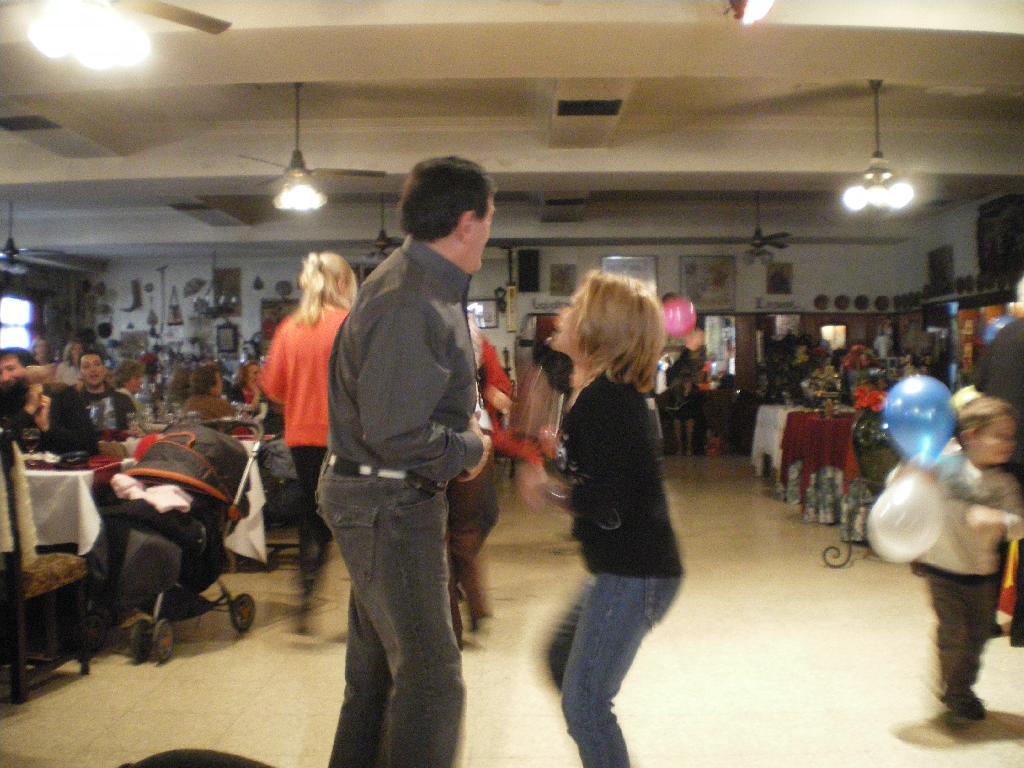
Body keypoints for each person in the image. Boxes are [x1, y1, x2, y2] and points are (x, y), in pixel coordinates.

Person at [319, 156, 494, 768]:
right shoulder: (410, 299)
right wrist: (469, 448)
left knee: (375, 678)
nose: (489, 232)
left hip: (383, 499)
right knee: (432, 680)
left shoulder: (420, 285)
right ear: (467, 223)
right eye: (489, 219)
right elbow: (394, 431)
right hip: (388, 503)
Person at [517, 271, 683, 768]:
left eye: (574, 307)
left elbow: (610, 500)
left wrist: (550, 490)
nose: (562, 314)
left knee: (586, 705)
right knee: (562, 661)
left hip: (635, 572)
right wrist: (561, 458)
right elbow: (608, 474)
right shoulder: (597, 395)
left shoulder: (608, 402)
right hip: (622, 567)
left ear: (598, 329)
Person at [261, 251, 357, 632]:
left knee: (313, 513)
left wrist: (303, 394)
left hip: (301, 437)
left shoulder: (290, 328)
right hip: (346, 437)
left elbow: (273, 389)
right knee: (349, 516)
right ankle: (365, 603)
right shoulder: (351, 325)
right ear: (342, 283)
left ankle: (306, 587)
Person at [912, 395, 1024, 721]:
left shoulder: (1004, 484)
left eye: (1011, 437)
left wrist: (999, 519)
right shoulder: (944, 467)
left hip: (983, 575)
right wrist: (911, 474)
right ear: (972, 436)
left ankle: (962, 685)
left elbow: (1020, 524)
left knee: (977, 637)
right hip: (942, 570)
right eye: (1000, 436)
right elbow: (909, 488)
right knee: (954, 633)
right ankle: (955, 691)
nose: (1009, 444)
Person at [975, 275, 1024, 644]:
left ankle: (988, 618)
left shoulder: (1004, 335)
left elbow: (980, 385)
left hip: (999, 451)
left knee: (999, 536)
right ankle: (1020, 626)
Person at [0, 347, 98, 455]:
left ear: (32, 369)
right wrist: (28, 410)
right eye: (0, 372)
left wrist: (48, 427)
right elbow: (5, 444)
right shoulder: (4, 402)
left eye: (10, 369)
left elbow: (89, 445)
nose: (4, 378)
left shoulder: (63, 394)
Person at [78, 352, 136, 432]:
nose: (93, 369)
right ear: (80, 374)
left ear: (104, 370)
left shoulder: (123, 399)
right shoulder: (74, 403)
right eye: (86, 366)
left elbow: (135, 429)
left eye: (97, 364)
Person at [114, 359, 148, 433]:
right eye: (136, 378)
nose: (141, 381)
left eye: (141, 377)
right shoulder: (123, 400)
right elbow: (137, 428)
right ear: (124, 380)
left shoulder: (121, 396)